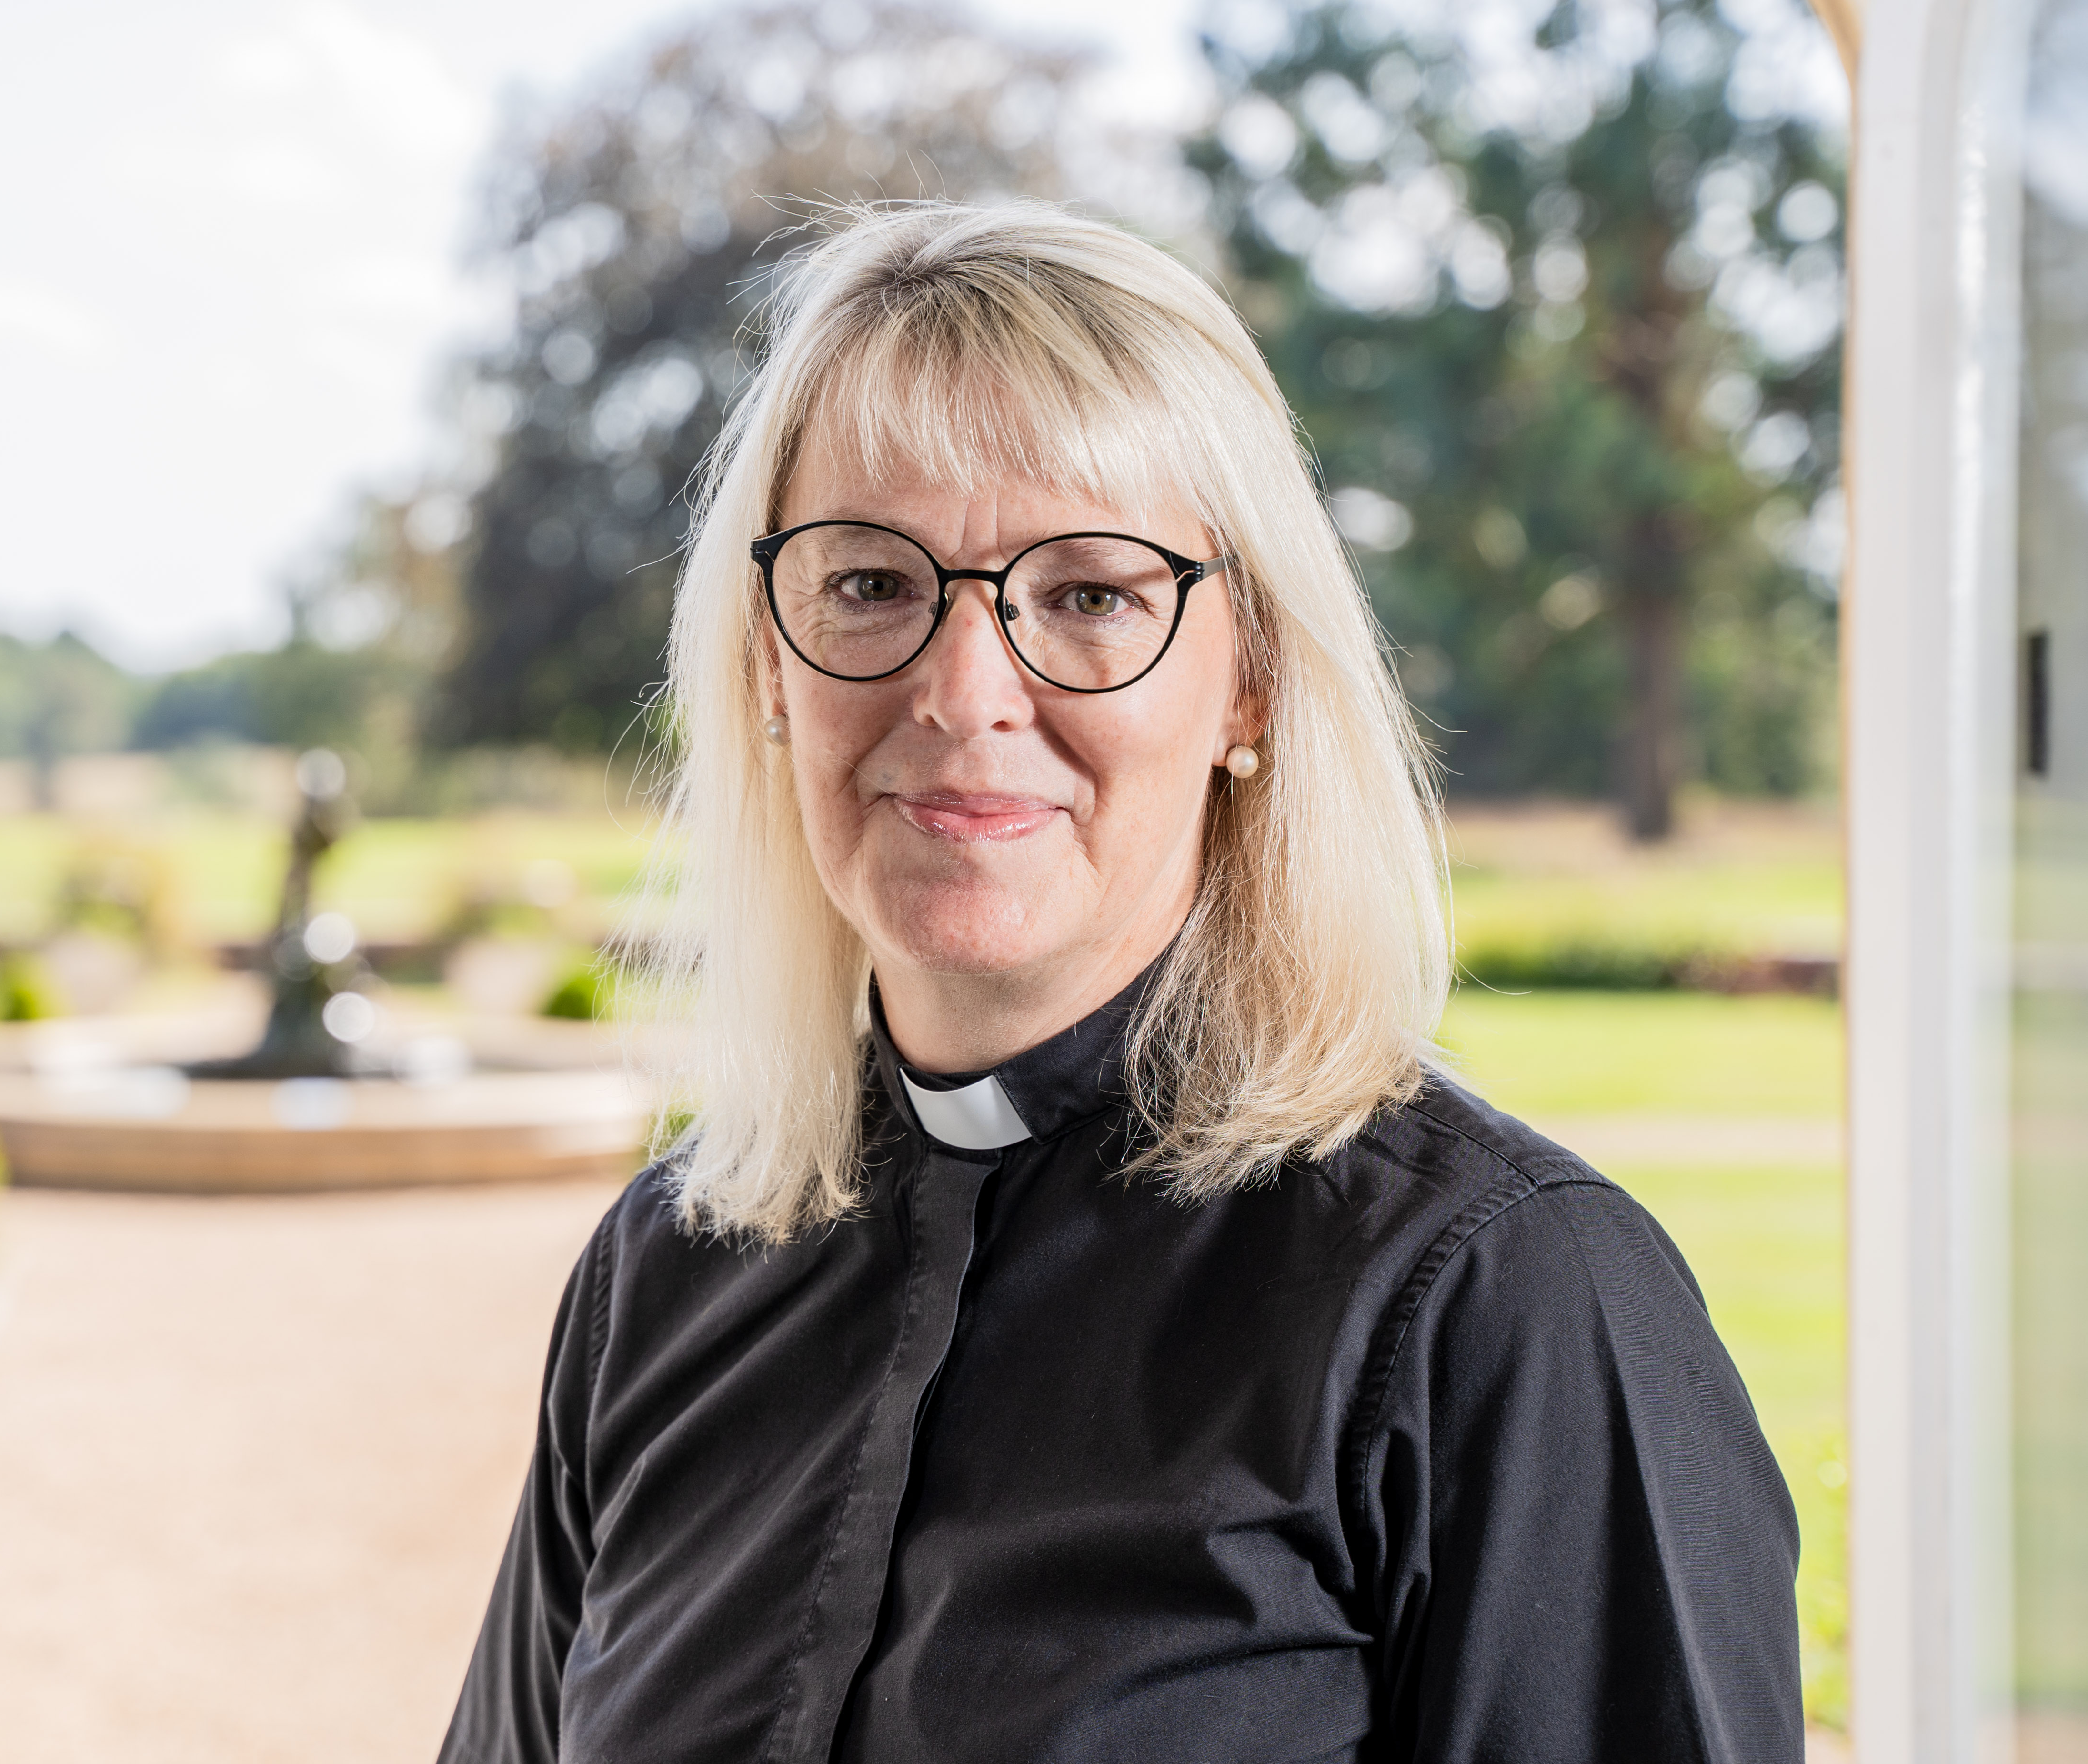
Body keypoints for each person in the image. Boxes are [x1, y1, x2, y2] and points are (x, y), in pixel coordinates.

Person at [440, 201, 1800, 1763]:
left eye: (1089, 594)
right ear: (767, 668)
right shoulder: (663, 1274)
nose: (961, 696)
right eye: (871, 585)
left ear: (1250, 687)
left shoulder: (1499, 1302)